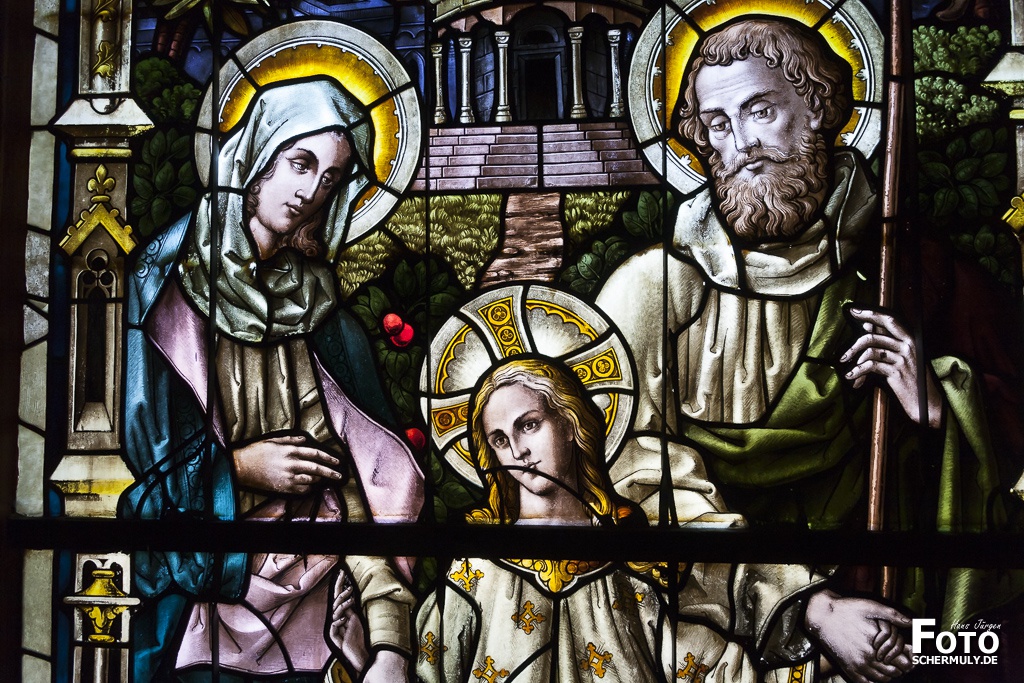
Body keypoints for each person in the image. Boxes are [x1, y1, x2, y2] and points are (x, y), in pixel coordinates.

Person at [595, 18, 1021, 625]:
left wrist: (937, 406)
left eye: (760, 111)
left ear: (818, 106)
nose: (742, 143)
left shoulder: (912, 271)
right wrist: (803, 606)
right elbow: (619, 471)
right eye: (718, 124)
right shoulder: (656, 288)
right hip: (720, 620)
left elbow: (1011, 457)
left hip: (897, 621)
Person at [121, 78, 423, 682]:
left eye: (331, 179)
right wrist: (235, 469)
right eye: (301, 164)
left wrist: (390, 640)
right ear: (256, 158)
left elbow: (358, 484)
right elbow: (135, 482)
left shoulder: (322, 315)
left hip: (323, 601)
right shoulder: (165, 292)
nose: (311, 192)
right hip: (207, 608)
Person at [414, 358, 912, 683]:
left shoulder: (633, 567)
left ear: (570, 423)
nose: (518, 451)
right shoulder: (473, 572)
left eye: (528, 425)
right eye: (500, 440)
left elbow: (713, 669)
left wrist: (843, 655)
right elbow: (428, 670)